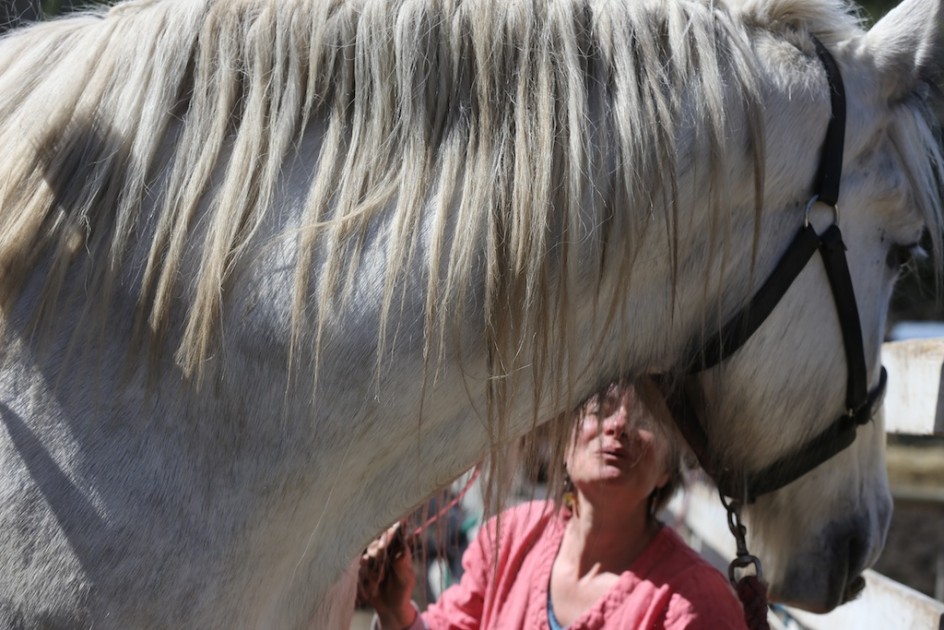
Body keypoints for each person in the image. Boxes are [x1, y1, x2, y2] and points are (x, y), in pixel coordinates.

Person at [358, 380, 748, 629]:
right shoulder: (508, 538)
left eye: (647, 419)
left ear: (669, 470)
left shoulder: (695, 601)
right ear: (564, 443)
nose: (620, 425)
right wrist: (396, 614)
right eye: (601, 408)